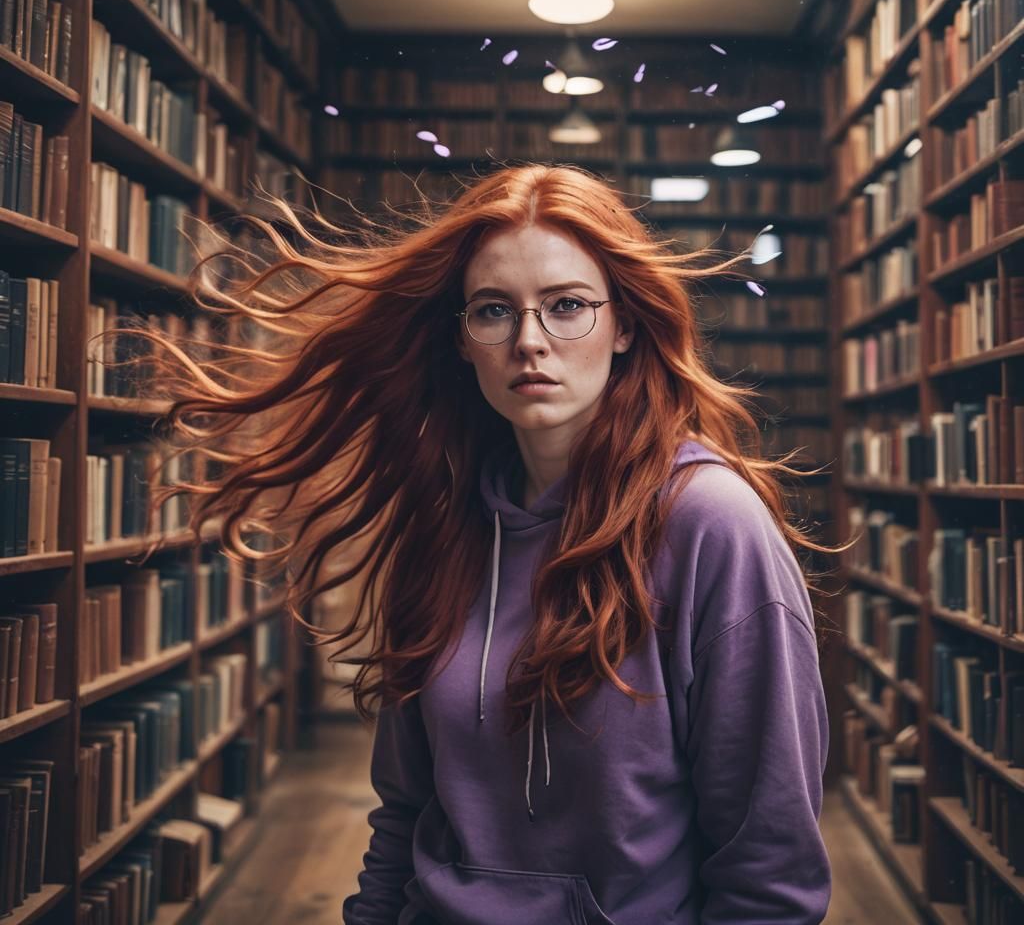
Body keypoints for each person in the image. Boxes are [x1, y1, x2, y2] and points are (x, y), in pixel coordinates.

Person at [111, 163, 852, 925]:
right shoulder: (444, 522)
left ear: (625, 324)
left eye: (568, 306)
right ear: (463, 341)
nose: (530, 341)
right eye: (494, 311)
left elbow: (770, 872)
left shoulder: (711, 523)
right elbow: (405, 813)